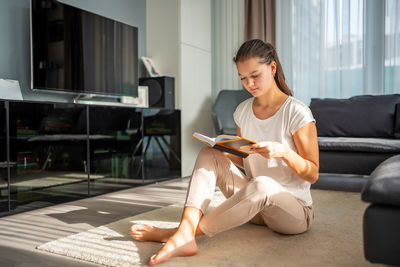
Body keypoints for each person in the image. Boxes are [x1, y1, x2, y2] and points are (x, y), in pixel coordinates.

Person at [130, 39, 319, 266]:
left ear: (272, 68)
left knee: (263, 184)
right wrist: (224, 151)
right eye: (242, 78)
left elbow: (313, 173)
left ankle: (180, 234)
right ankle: (185, 230)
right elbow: (247, 158)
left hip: (294, 212)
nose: (249, 83)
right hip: (256, 209)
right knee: (209, 155)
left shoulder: (297, 112)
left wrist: (284, 153)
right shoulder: (242, 111)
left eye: (255, 75)